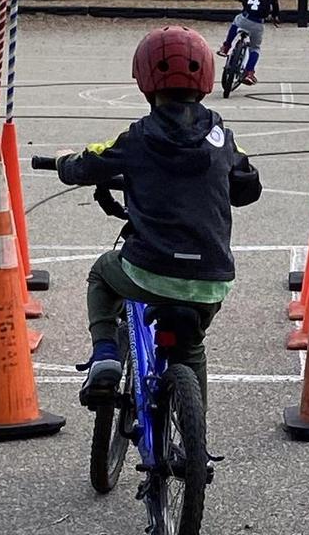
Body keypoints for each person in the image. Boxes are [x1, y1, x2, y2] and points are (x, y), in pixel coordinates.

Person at [55, 26, 263, 408]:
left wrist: (63, 163)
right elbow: (247, 187)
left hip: (148, 271)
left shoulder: (138, 137)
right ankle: (194, 442)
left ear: (146, 81)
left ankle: (104, 354)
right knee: (190, 348)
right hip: (210, 281)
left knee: (103, 273)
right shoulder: (221, 136)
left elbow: (88, 164)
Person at [217, 0, 281, 85]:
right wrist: (275, 17)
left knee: (236, 22)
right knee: (255, 48)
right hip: (258, 24)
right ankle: (249, 72)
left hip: (245, 19)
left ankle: (226, 46)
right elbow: (275, 7)